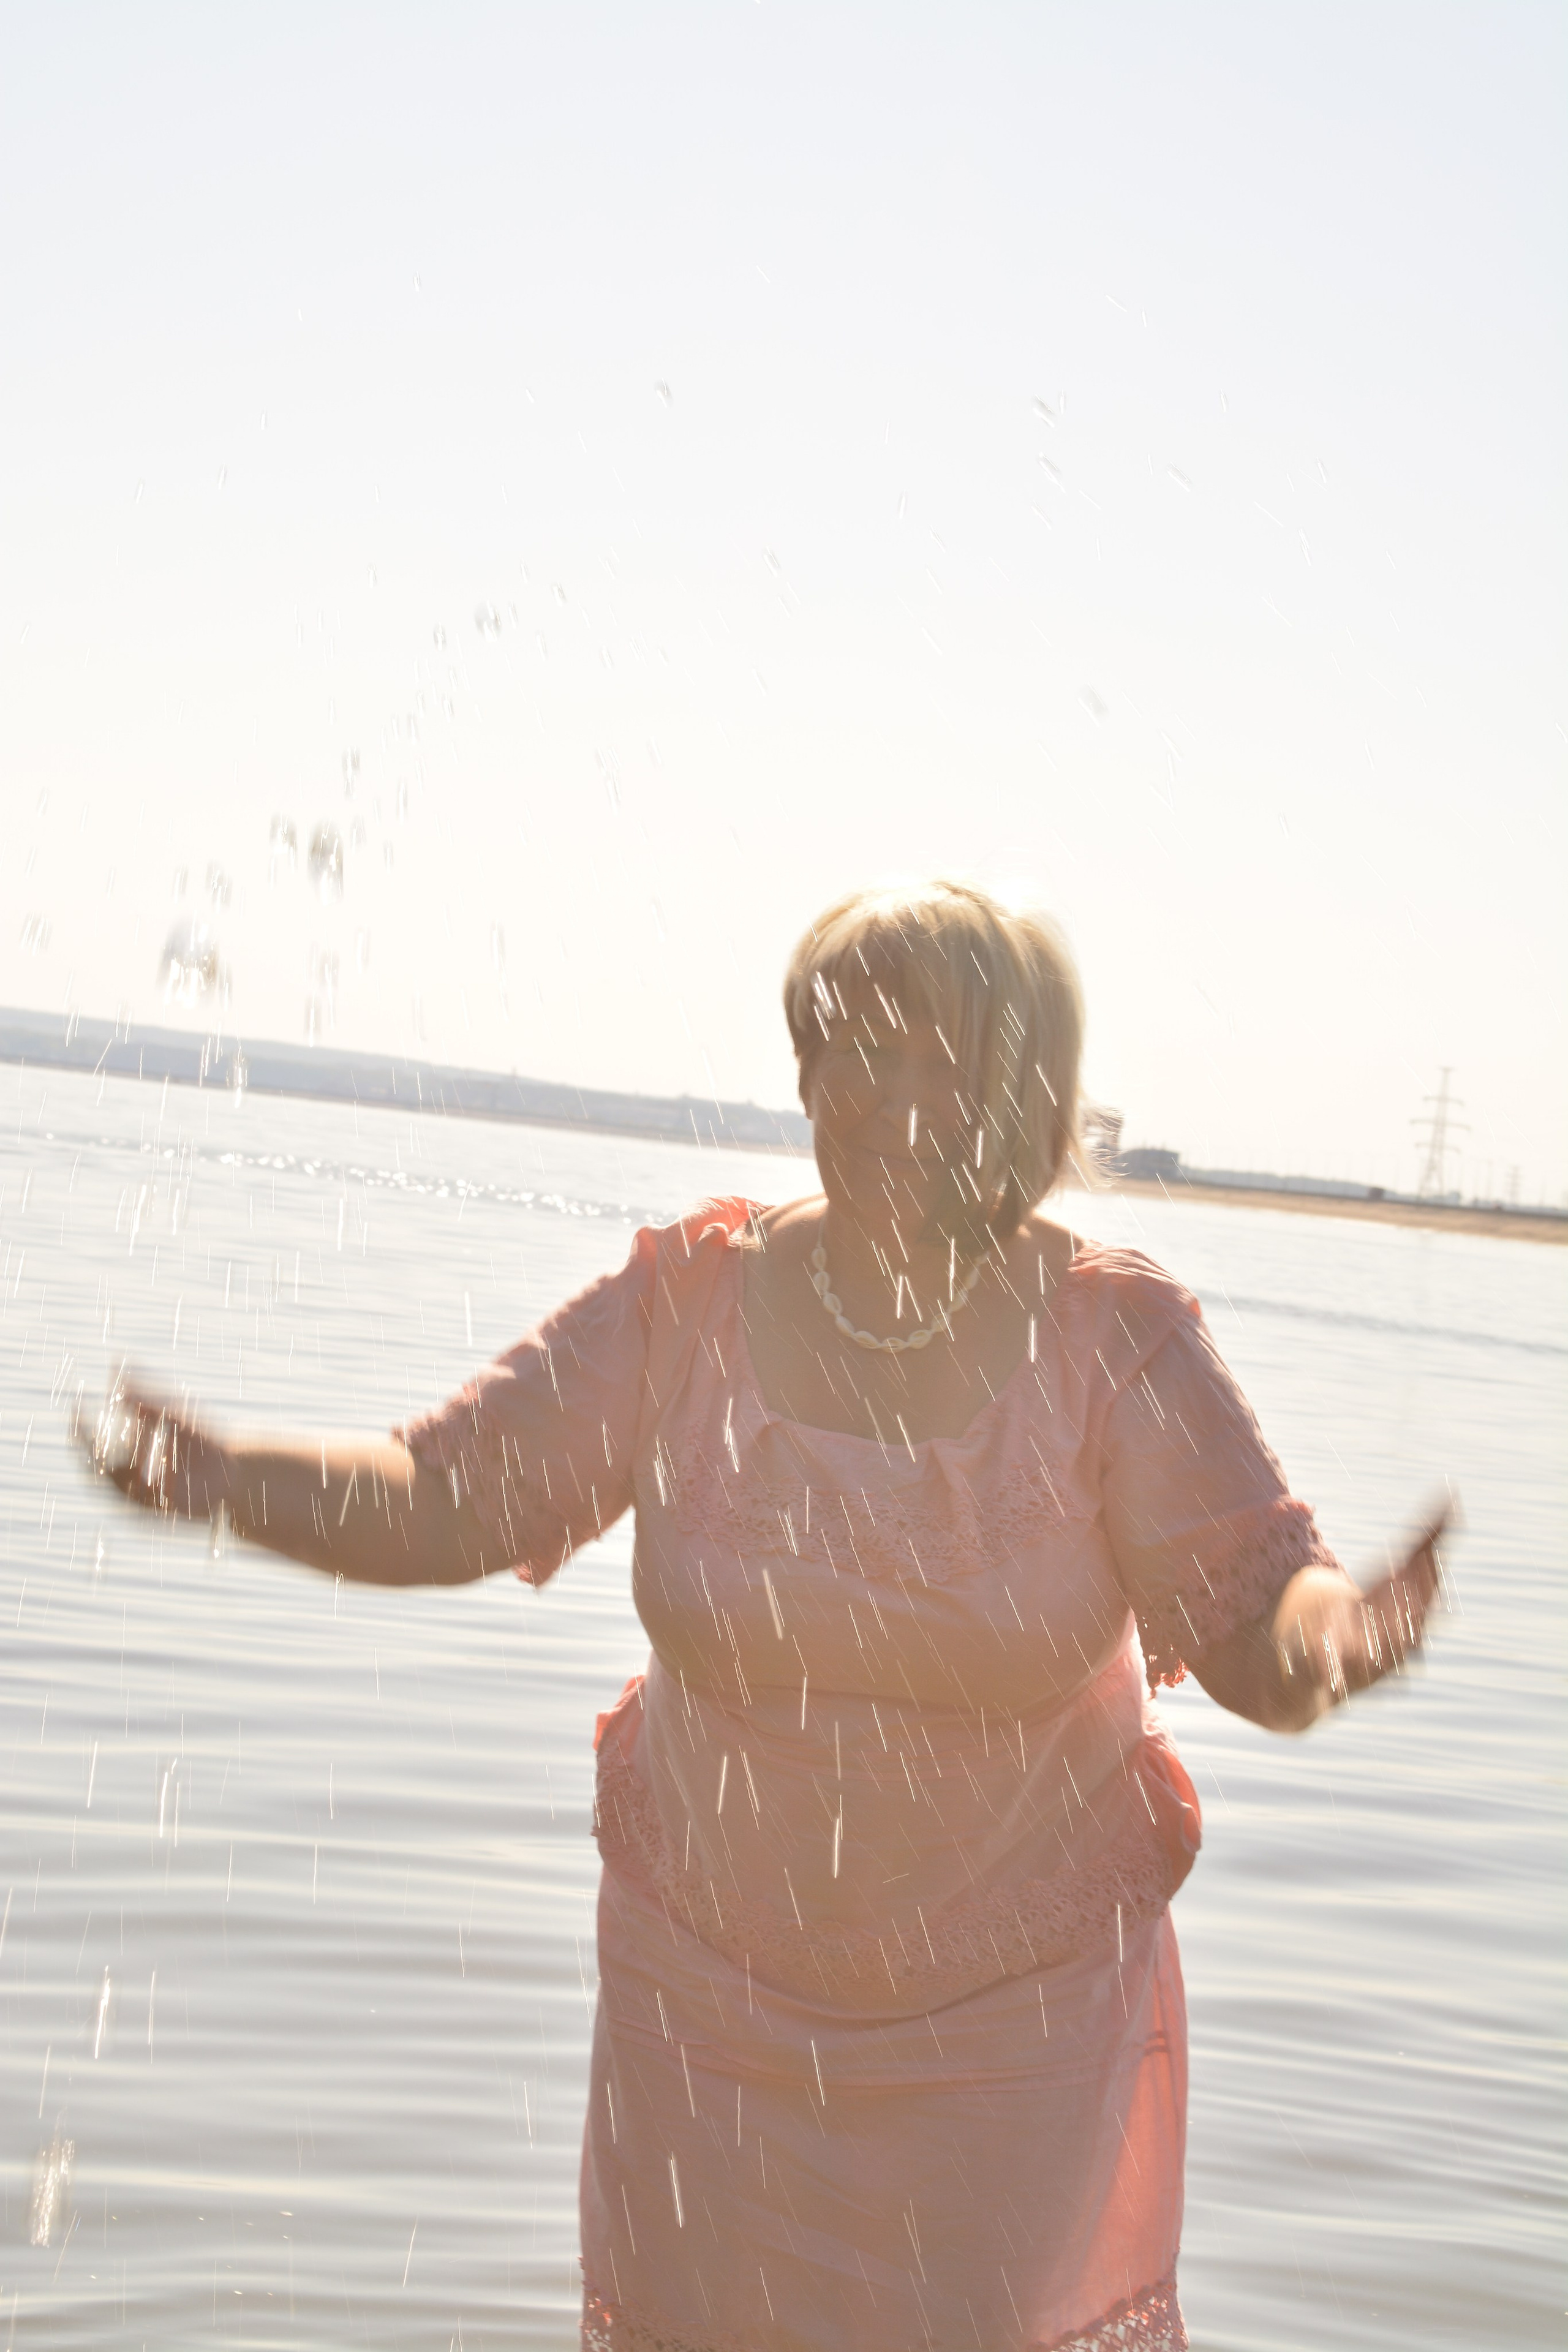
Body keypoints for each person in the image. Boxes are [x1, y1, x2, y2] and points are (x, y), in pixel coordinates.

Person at [90, 880, 1444, 2352]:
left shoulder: (1112, 1336)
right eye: (847, 1045)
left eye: (936, 1055)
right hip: (708, 2016)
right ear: (799, 1066)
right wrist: (233, 1478)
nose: (880, 1093)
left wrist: (1333, 1639)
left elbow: (1257, 1620)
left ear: (1019, 1091)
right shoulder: (689, 1302)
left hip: (1008, 2044)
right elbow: (443, 1493)